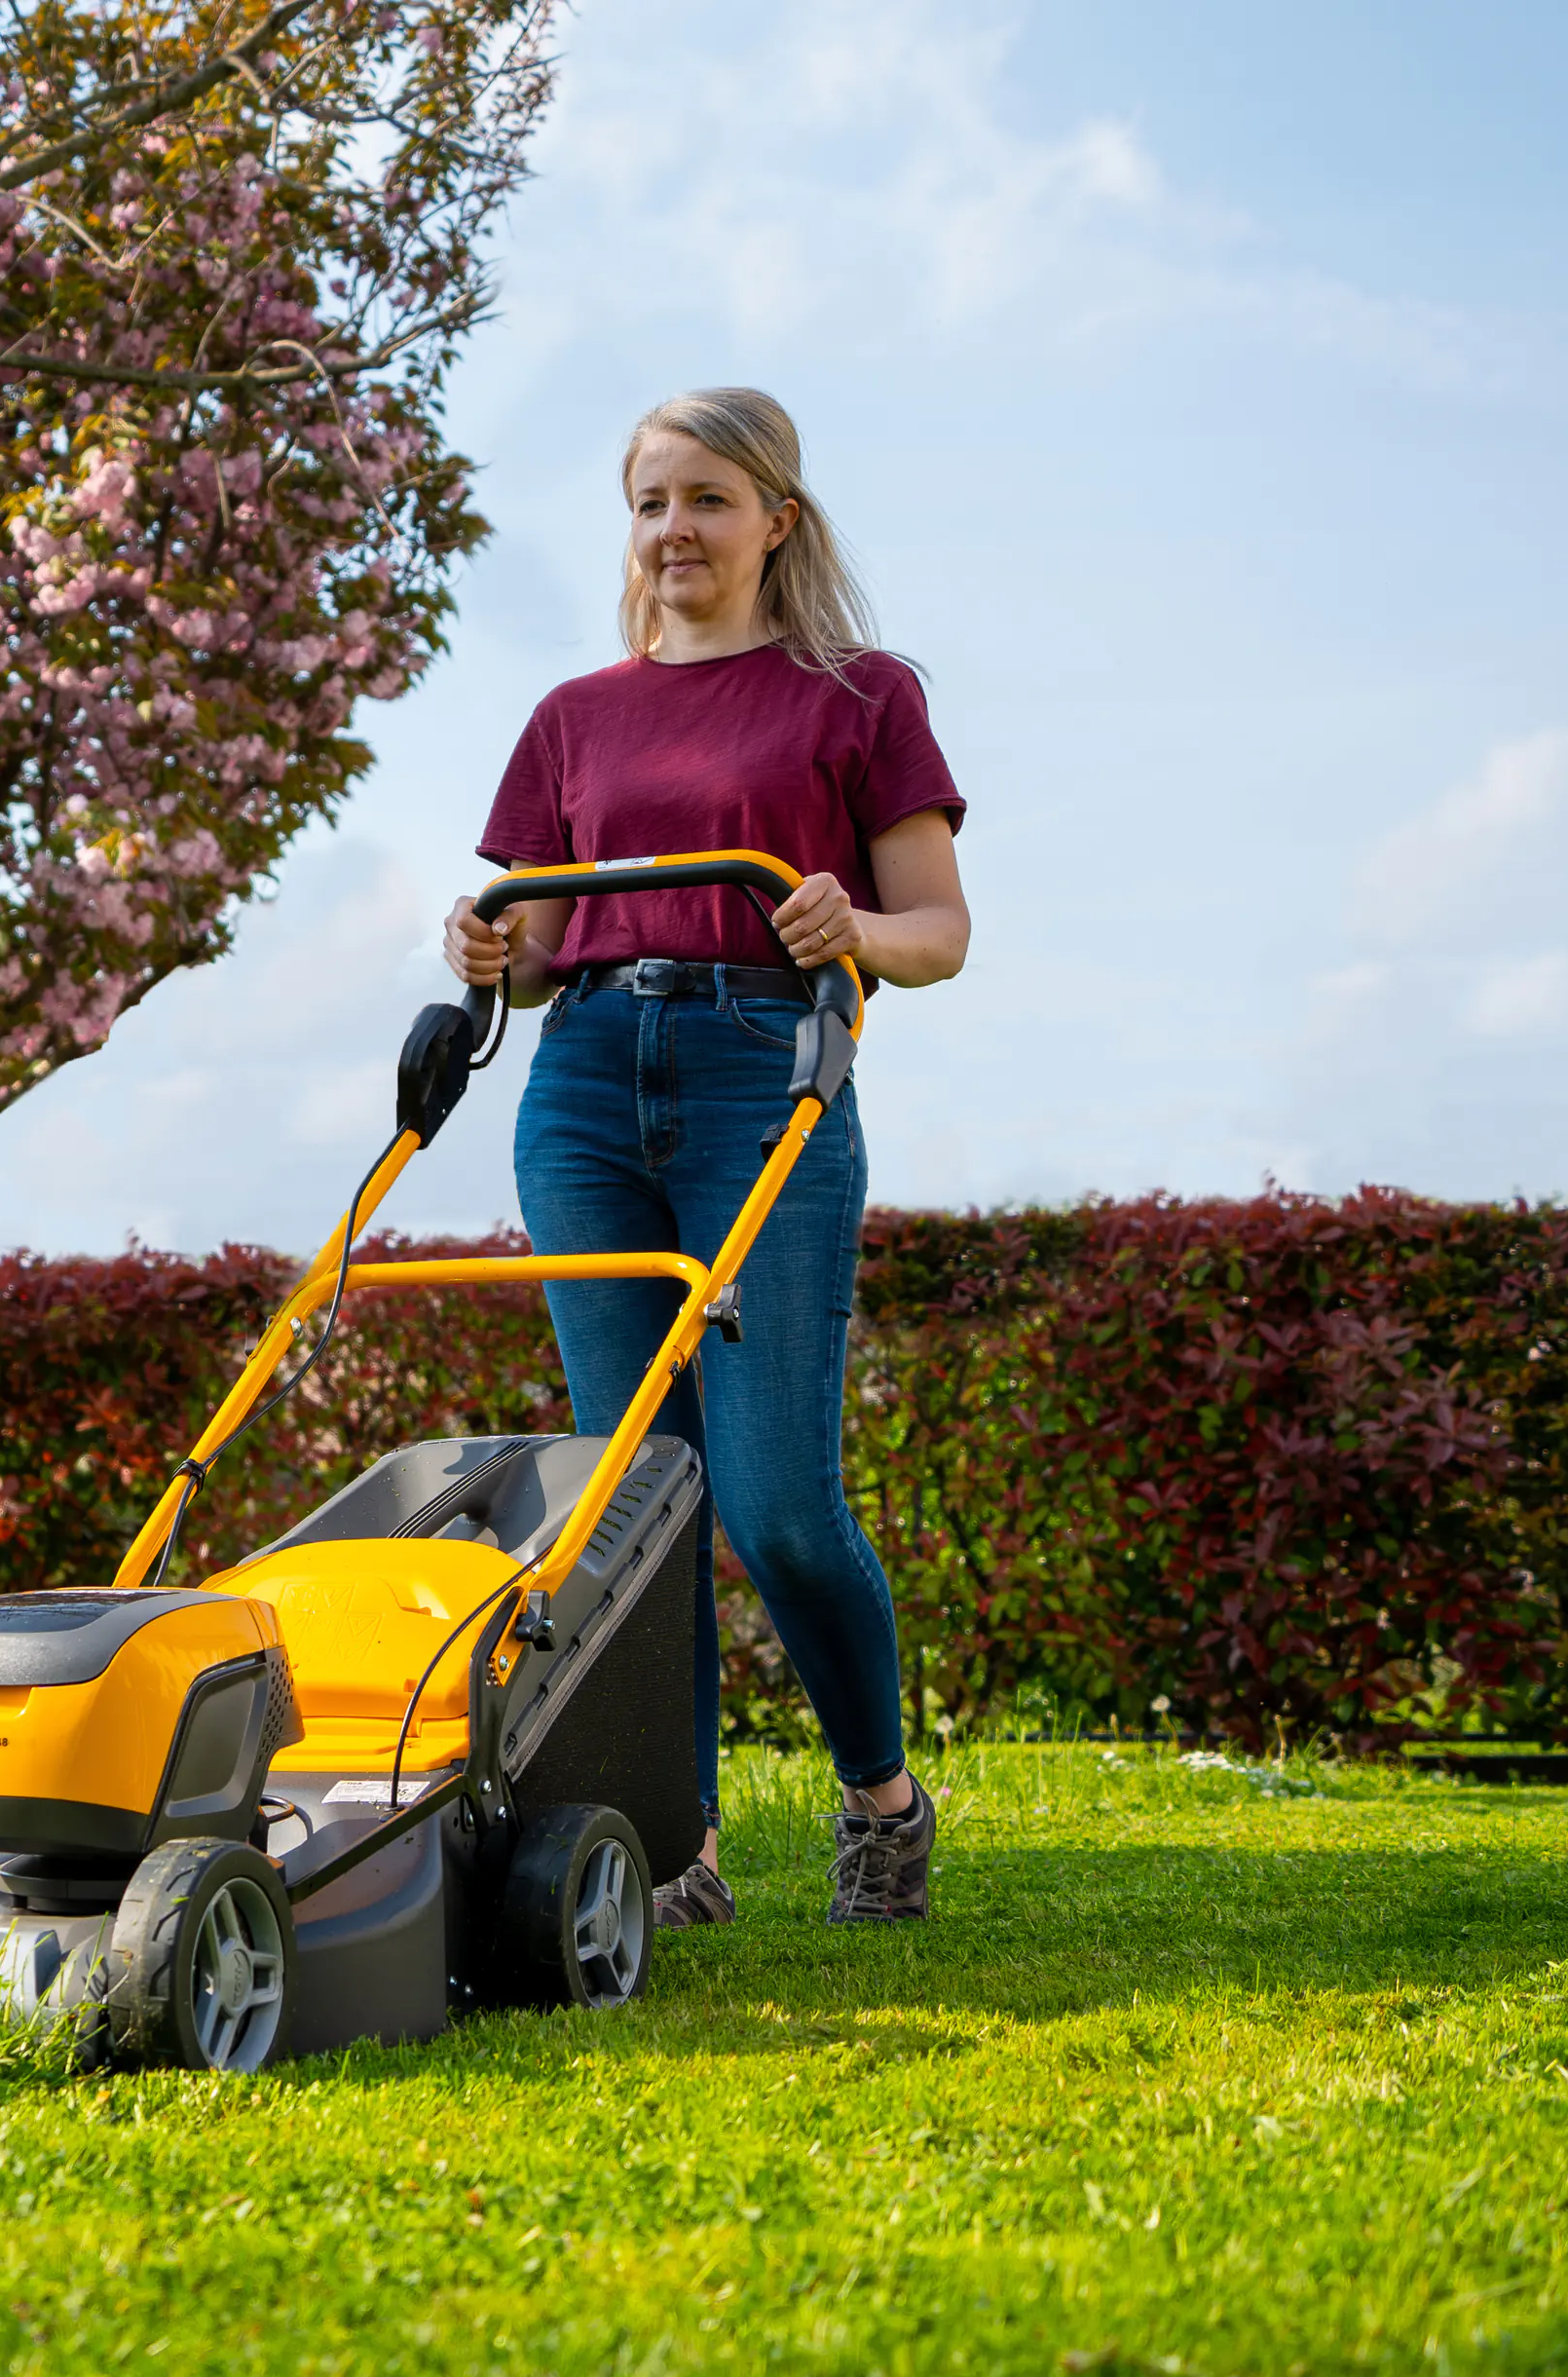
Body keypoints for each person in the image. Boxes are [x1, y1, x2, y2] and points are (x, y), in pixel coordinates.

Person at [442, 387, 971, 1929]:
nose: (675, 529)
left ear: (775, 523)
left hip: (765, 1077)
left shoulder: (858, 697)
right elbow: (535, 947)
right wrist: (482, 944)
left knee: (773, 1503)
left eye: (708, 500)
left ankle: (879, 1801)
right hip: (586, 1081)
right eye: (652, 501)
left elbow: (934, 933)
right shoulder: (570, 719)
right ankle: (672, 1847)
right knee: (633, 1498)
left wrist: (846, 928)